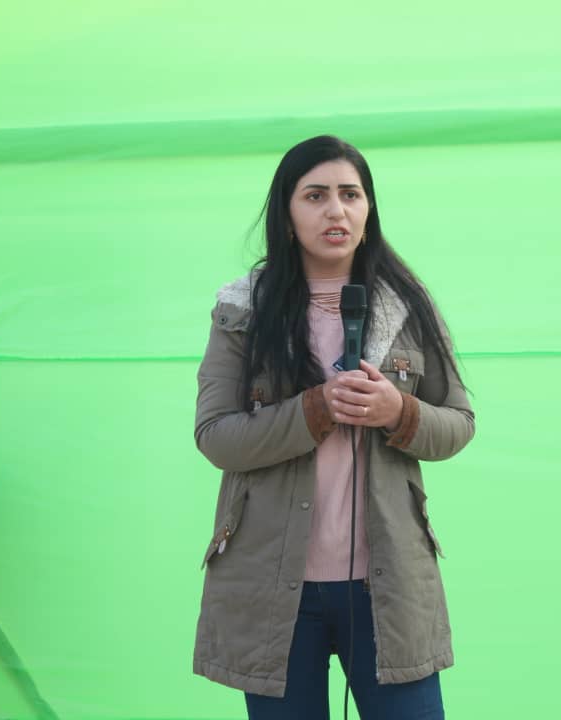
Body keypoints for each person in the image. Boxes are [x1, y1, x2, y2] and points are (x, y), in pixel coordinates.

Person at [192, 135, 474, 720]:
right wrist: (314, 410)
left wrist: (399, 412)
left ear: (369, 211)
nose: (335, 210)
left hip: (388, 585)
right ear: (286, 215)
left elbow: (459, 423)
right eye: (315, 195)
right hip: (271, 584)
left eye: (350, 194)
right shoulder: (241, 311)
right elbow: (216, 436)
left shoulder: (410, 306)